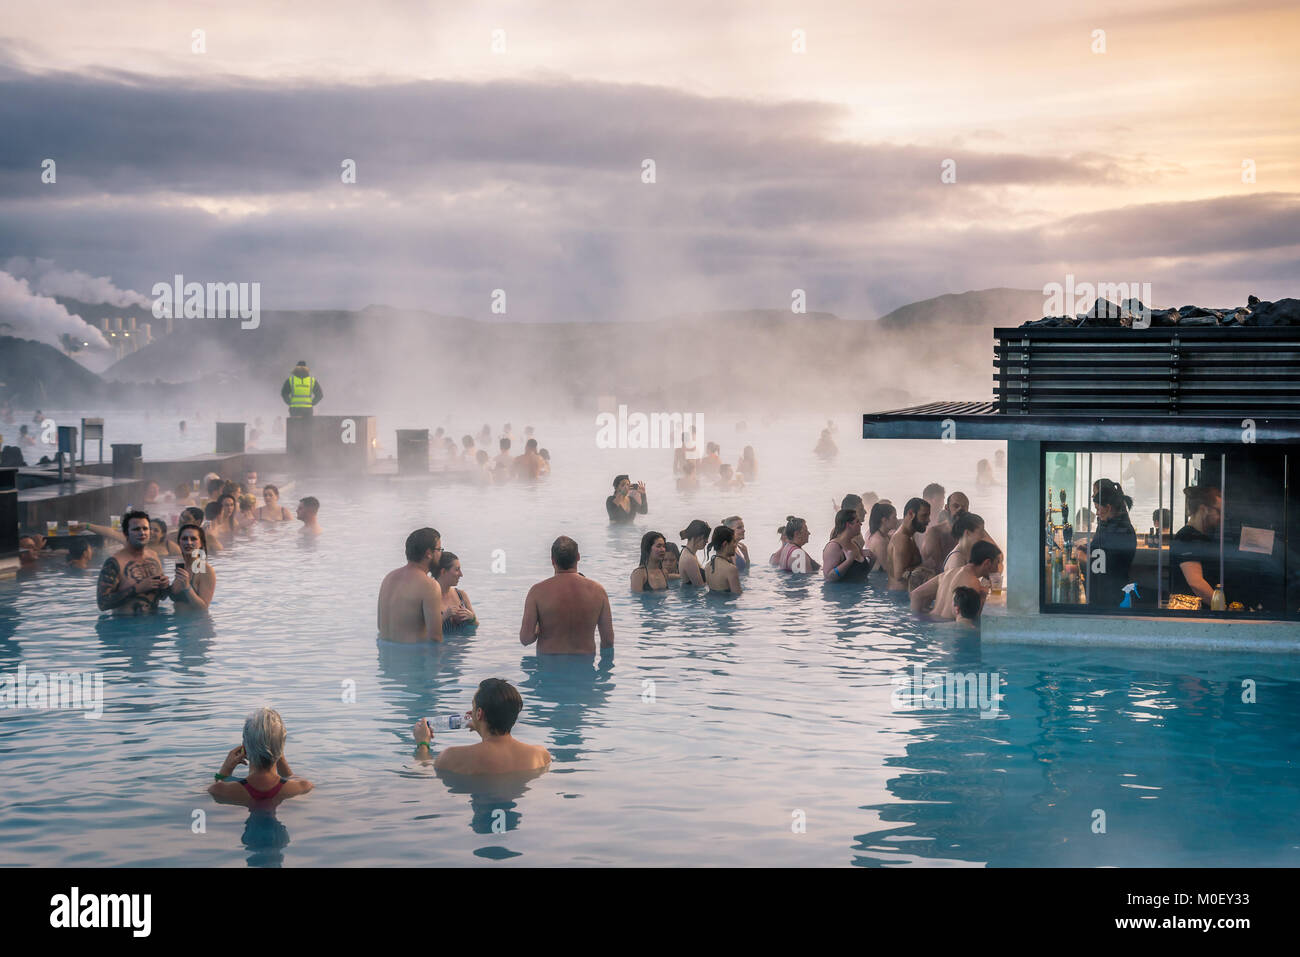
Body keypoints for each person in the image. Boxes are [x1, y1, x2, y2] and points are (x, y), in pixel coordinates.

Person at [412, 678, 551, 775]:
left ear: (479, 713)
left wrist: (423, 743)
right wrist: (480, 725)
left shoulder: (451, 757)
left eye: (473, 706)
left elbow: (423, 772)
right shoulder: (541, 755)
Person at [519, 536, 614, 654]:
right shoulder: (598, 591)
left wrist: (539, 629)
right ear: (578, 557)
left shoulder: (537, 592)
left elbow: (525, 639)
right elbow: (608, 641)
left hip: (548, 667)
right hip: (584, 667)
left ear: (552, 560)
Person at [209, 707, 313, 805]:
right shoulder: (303, 787)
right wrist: (279, 755)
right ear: (281, 747)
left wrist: (226, 769)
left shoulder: (219, 790)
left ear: (244, 747)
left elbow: (216, 792)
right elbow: (292, 779)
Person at [96, 510, 170, 616]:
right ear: (126, 533)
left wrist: (165, 586)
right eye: (136, 529)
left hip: (155, 624)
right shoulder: (114, 563)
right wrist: (136, 589)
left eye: (145, 528)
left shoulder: (154, 556)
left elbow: (162, 597)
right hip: (127, 626)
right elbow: (102, 604)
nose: (142, 532)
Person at [377, 528, 443, 642]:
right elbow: (435, 639)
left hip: (385, 656)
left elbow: (380, 626)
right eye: (439, 549)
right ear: (428, 554)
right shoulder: (430, 586)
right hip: (413, 657)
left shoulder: (388, 578)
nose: (441, 554)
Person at [910, 540, 1002, 620]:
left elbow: (916, 595)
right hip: (950, 630)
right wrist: (983, 595)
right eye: (997, 563)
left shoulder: (948, 573)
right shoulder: (972, 582)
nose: (998, 568)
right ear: (987, 563)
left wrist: (916, 619)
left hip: (932, 621)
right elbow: (971, 617)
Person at [1171, 485, 1221, 604]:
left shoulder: (1201, 537)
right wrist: (1222, 608)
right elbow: (1196, 583)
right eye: (1218, 511)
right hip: (1192, 613)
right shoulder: (1186, 537)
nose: (1220, 517)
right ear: (1204, 510)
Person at [170, 523, 216, 613]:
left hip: (195, 625)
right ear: (179, 542)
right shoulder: (182, 566)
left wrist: (187, 587)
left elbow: (203, 608)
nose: (188, 542)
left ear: (201, 543)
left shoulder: (205, 570)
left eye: (193, 539)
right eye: (184, 539)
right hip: (178, 623)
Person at [888, 497, 931, 591]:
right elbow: (899, 576)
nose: (928, 520)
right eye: (924, 516)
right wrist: (925, 569)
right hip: (901, 598)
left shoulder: (909, 536)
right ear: (911, 514)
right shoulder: (902, 539)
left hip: (900, 596)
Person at [920, 489, 967, 572]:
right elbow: (938, 568)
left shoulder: (971, 531)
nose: (960, 510)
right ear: (946, 508)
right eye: (956, 506)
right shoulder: (934, 533)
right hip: (939, 580)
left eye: (964, 507)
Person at [822, 508, 871, 583]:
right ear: (848, 525)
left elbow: (862, 574)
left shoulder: (854, 544)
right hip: (842, 593)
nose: (861, 524)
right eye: (857, 521)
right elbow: (829, 577)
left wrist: (873, 559)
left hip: (859, 592)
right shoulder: (833, 547)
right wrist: (848, 561)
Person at [435, 551, 477, 628]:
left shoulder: (461, 595)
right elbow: (421, 632)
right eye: (457, 569)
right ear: (443, 571)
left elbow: (476, 625)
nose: (461, 574)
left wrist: (471, 618)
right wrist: (444, 617)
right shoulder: (428, 598)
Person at [703, 525, 742, 594]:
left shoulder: (707, 567)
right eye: (734, 542)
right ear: (725, 544)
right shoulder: (731, 569)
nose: (735, 545)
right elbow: (738, 596)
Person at [865, 502, 899, 571]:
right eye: (894, 517)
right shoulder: (879, 541)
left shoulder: (884, 535)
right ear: (884, 520)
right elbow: (888, 568)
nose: (897, 520)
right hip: (877, 578)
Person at [677, 519, 710, 586]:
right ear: (697, 537)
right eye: (705, 538)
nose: (707, 541)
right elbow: (699, 586)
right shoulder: (689, 559)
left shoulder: (689, 552)